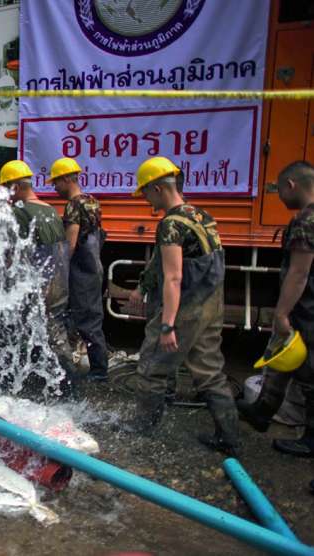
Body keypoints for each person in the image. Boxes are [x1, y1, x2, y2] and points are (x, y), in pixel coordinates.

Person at [126, 156, 238, 455]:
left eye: (145, 192)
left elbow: (174, 278)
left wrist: (167, 325)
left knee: (152, 367)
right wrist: (143, 286)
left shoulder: (171, 224)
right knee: (209, 370)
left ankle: (142, 426)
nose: (145, 199)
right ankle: (229, 437)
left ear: (158, 188)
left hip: (185, 306)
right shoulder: (202, 215)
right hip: (210, 304)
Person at [237, 160, 314, 457]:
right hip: (305, 308)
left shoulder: (306, 221)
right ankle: (262, 411)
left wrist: (281, 313)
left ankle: (310, 439)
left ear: (291, 185)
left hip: (307, 309)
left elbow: (299, 273)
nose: (279, 197)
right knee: (282, 357)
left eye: (279, 190)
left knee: (309, 376)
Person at [0, 160, 76, 396]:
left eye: (6, 188)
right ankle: (68, 384)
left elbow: (13, 254)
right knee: (56, 332)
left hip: (38, 285)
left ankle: (28, 385)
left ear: (15, 187)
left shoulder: (20, 212)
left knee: (24, 331)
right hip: (60, 282)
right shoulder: (50, 209)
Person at [49, 157, 109, 381]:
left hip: (81, 271)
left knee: (87, 321)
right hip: (94, 267)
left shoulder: (73, 205)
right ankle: (97, 367)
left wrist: (58, 272)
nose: (55, 188)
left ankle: (99, 372)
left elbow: (71, 244)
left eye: (56, 182)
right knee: (92, 317)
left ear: (67, 179)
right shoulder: (92, 201)